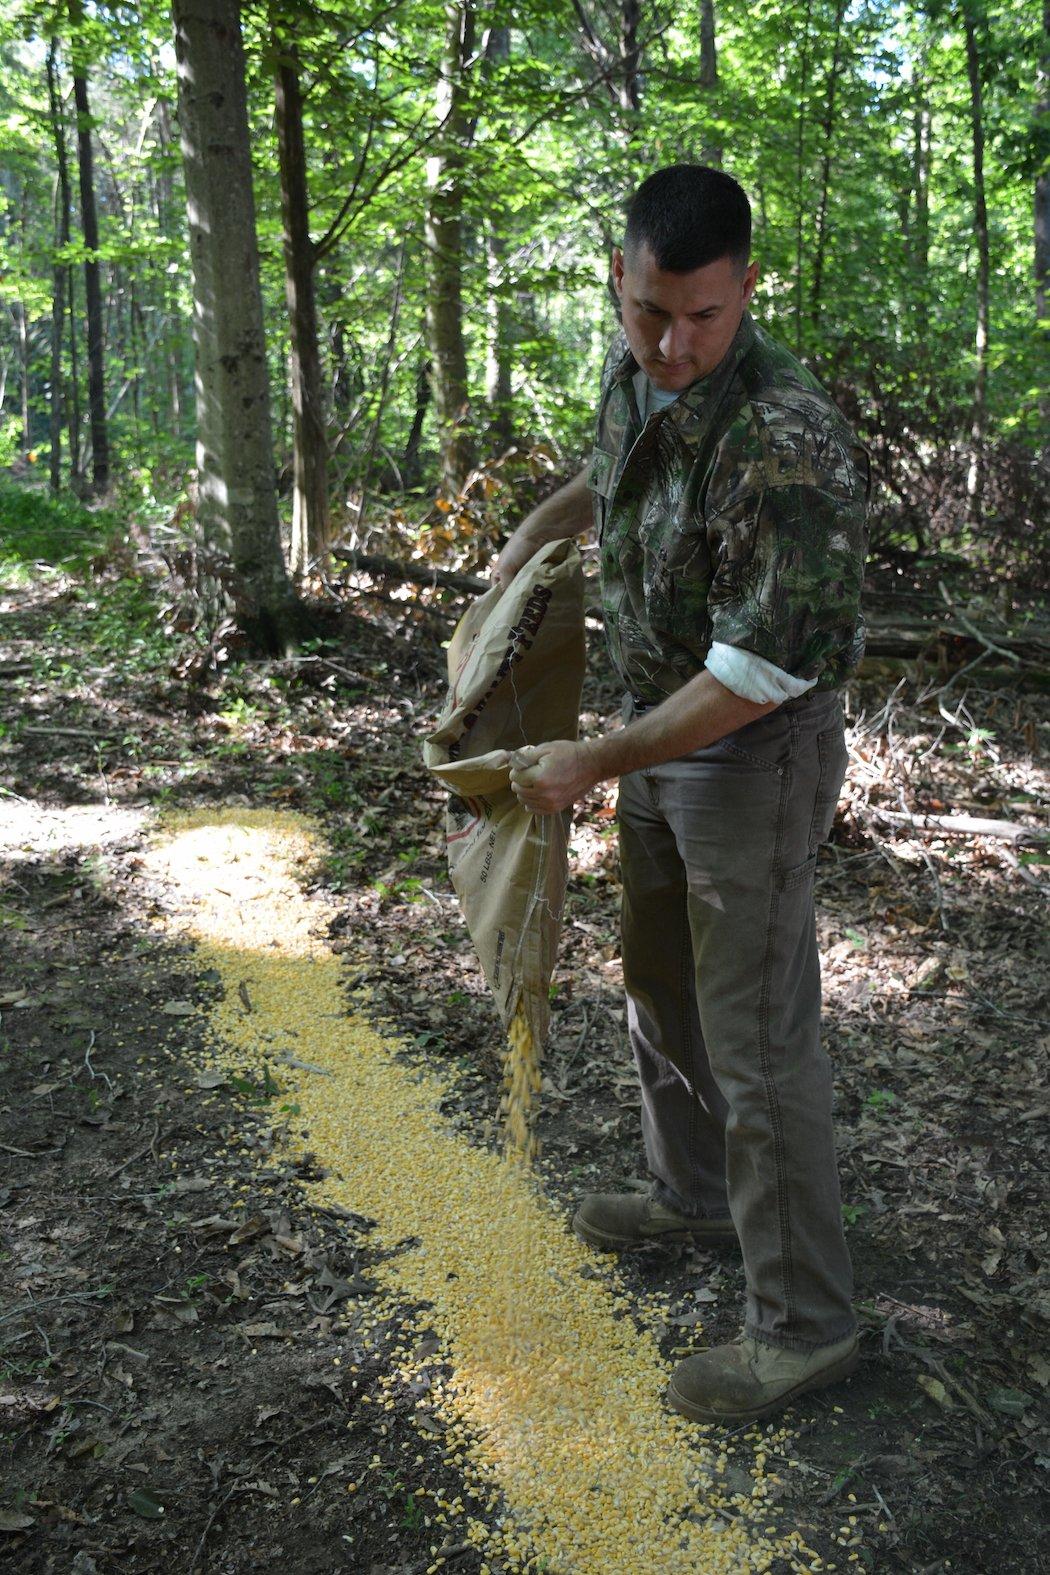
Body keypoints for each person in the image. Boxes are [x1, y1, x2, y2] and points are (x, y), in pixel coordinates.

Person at [493, 164, 869, 1425]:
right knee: (660, 981)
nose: (674, 343)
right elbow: (612, 479)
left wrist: (596, 759)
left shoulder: (784, 433)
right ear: (621, 278)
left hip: (748, 748)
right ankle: (691, 1197)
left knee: (761, 1044)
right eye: (652, 311)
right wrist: (521, 554)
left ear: (746, 288)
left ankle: (806, 1326)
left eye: (704, 317)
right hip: (658, 733)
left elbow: (762, 668)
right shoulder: (636, 368)